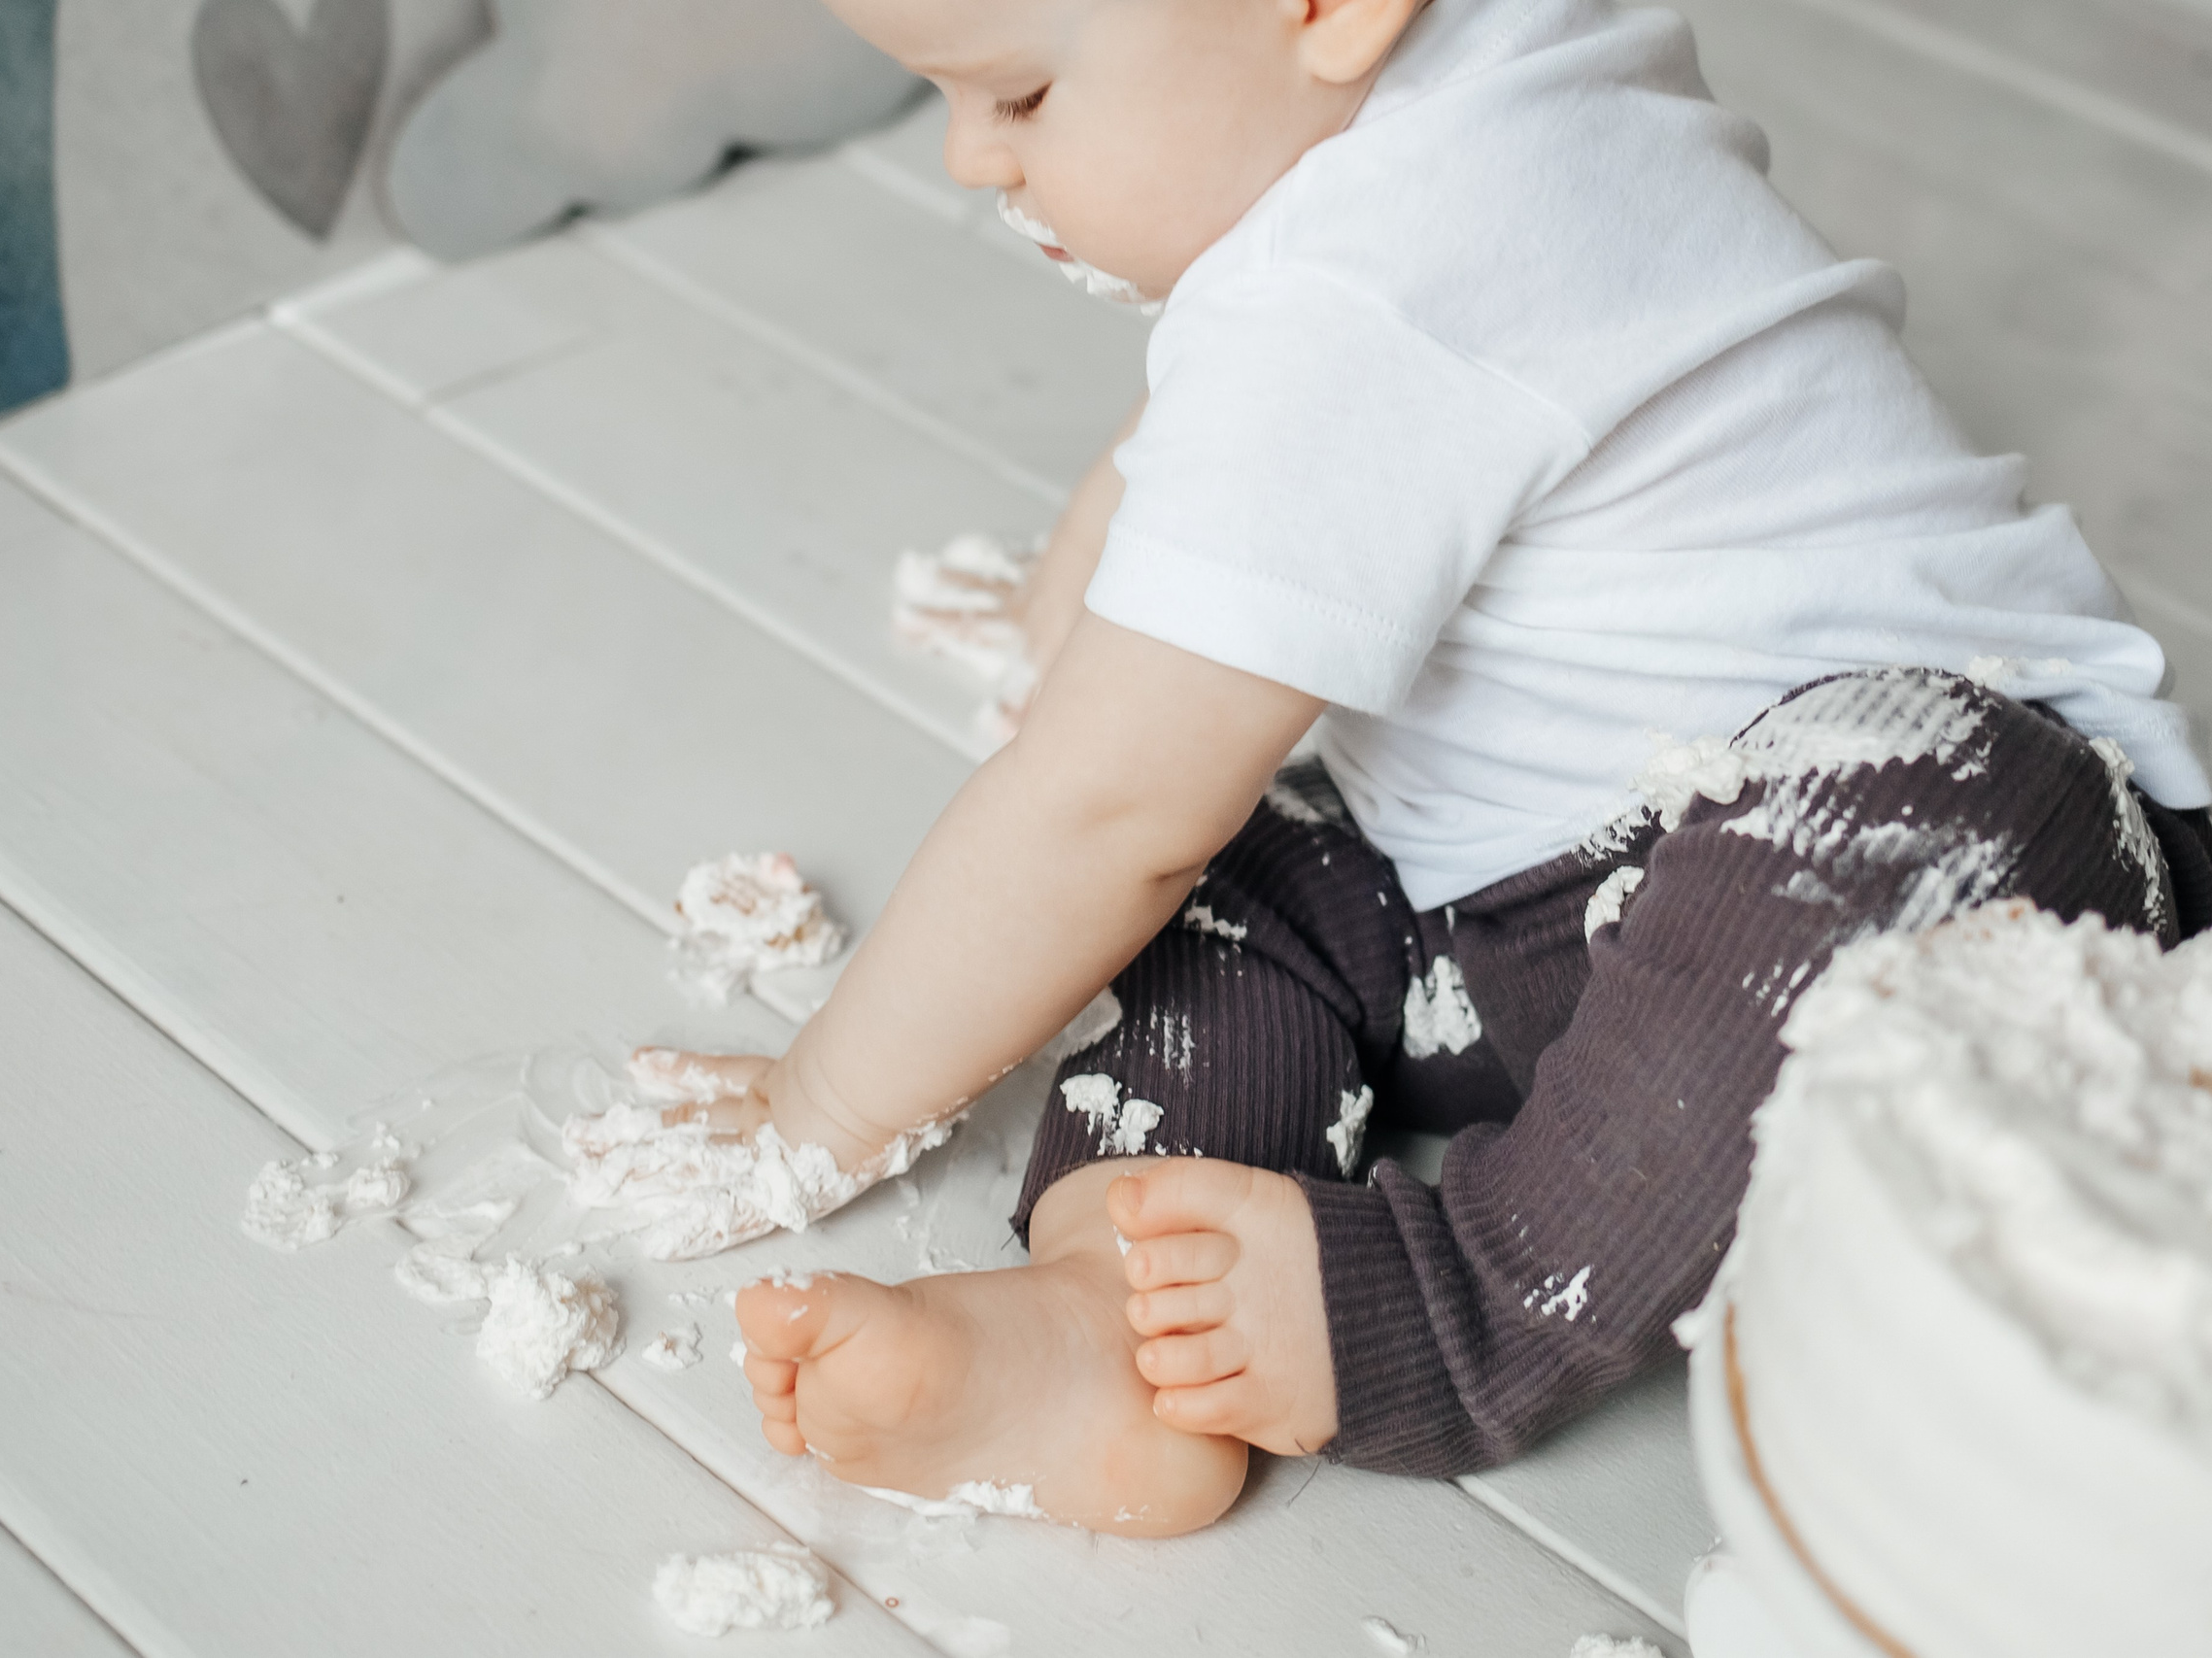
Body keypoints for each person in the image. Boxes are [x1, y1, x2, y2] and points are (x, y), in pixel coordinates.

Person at [653, 0, 2212, 1536]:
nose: (964, 156)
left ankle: (1458, 1306)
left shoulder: (1397, 251)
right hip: (1542, 898)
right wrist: (1083, 604)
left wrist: (829, 1099)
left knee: (1886, 785)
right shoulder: (1421, 117)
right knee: (1246, 878)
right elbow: (1232, 402)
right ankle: (1106, 1313)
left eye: (1020, 95)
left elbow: (1107, 805)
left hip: (1994, 876)